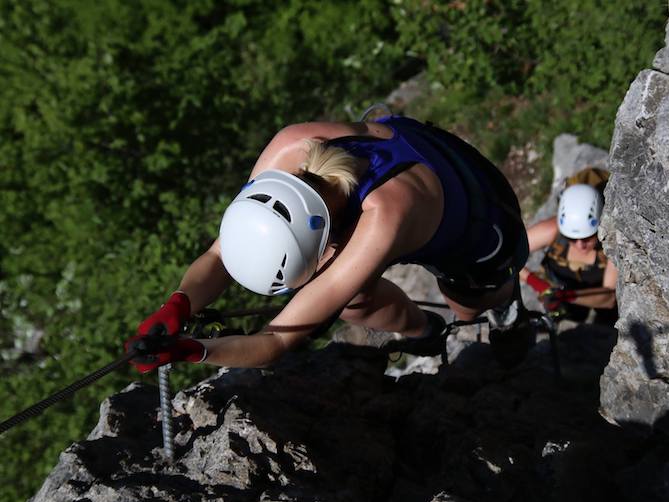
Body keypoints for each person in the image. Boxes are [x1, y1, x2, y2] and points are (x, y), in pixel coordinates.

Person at [127, 115, 532, 373]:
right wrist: (177, 306)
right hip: (425, 145)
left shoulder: (382, 219)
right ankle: (424, 330)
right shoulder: (291, 148)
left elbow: (276, 341)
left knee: (469, 303)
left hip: (481, 221)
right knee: (352, 300)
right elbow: (219, 254)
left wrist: (194, 351)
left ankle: (507, 311)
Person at [519, 175, 618, 324]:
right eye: (571, 238)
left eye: (588, 237)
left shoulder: (611, 243)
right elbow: (508, 254)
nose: (580, 245)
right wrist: (537, 283)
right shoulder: (552, 230)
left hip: (596, 302)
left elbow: (609, 297)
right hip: (562, 296)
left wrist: (565, 296)